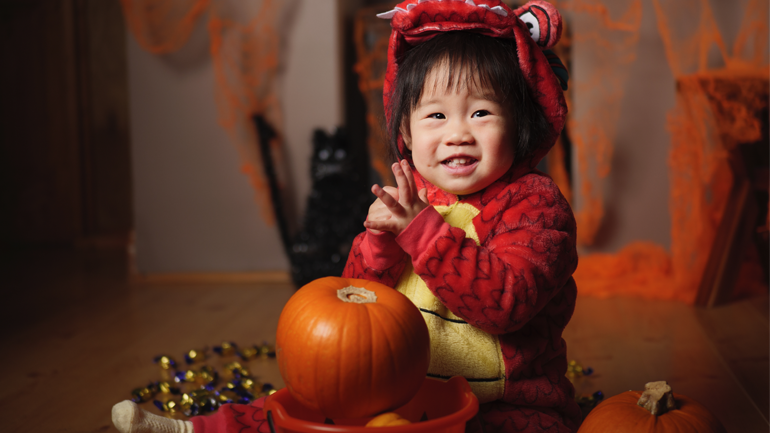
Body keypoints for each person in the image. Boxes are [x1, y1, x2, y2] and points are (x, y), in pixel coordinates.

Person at [111, 1, 579, 432]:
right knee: (299, 409)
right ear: (405, 134)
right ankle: (199, 429)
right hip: (395, 390)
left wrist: (420, 233)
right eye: (436, 116)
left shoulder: (536, 207)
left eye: (480, 112)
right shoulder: (409, 197)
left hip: (499, 403)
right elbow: (359, 309)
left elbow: (506, 304)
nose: (458, 133)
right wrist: (378, 246)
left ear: (518, 127)